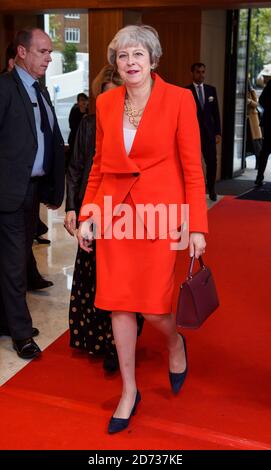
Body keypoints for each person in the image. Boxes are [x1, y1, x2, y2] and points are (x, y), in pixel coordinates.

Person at [77, 25, 208, 433]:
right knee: (119, 304)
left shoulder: (179, 99)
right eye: (122, 56)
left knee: (153, 307)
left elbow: (192, 167)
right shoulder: (106, 102)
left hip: (160, 217)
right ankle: (129, 390)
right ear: (115, 63)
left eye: (137, 54)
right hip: (116, 217)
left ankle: (174, 342)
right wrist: (87, 214)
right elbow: (99, 165)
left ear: (153, 59)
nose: (130, 62)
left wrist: (198, 225)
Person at [65, 65, 144, 372]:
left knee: (124, 279)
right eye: (107, 95)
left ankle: (119, 344)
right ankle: (96, 338)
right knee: (94, 278)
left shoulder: (138, 125)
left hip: (127, 211)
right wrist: (73, 207)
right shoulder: (88, 124)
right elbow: (76, 167)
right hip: (94, 208)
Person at [0, 28, 65, 358]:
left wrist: (54, 188)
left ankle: (6, 320)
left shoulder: (40, 91)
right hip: (9, 193)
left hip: (32, 190)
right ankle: (21, 334)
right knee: (14, 264)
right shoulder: (5, 88)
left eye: (50, 52)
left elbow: (48, 139)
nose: (49, 58)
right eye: (43, 51)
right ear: (22, 53)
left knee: (17, 259)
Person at [187, 63, 221, 201]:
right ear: (192, 73)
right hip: (192, 134)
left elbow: (216, 113)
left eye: (203, 72)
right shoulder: (185, 91)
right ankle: (194, 190)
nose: (201, 75)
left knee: (212, 161)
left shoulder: (211, 90)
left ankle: (211, 188)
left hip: (209, 133)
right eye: (198, 72)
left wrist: (218, 132)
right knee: (193, 164)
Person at [255, 78, 271, 186]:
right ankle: (259, 176)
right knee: (265, 150)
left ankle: (259, 177)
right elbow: (261, 100)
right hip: (270, 122)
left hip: (269, 122)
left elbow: (261, 100)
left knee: (265, 150)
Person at [67, 92, 89, 163]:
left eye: (85, 100)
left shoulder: (89, 110)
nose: (83, 102)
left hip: (85, 139)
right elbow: (72, 125)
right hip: (74, 138)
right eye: (81, 100)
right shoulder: (75, 109)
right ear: (78, 102)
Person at [246, 81, 262, 170]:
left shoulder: (251, 91)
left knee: (256, 144)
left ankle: (258, 163)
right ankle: (242, 164)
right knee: (245, 144)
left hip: (252, 120)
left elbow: (256, 104)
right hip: (243, 121)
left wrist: (249, 101)